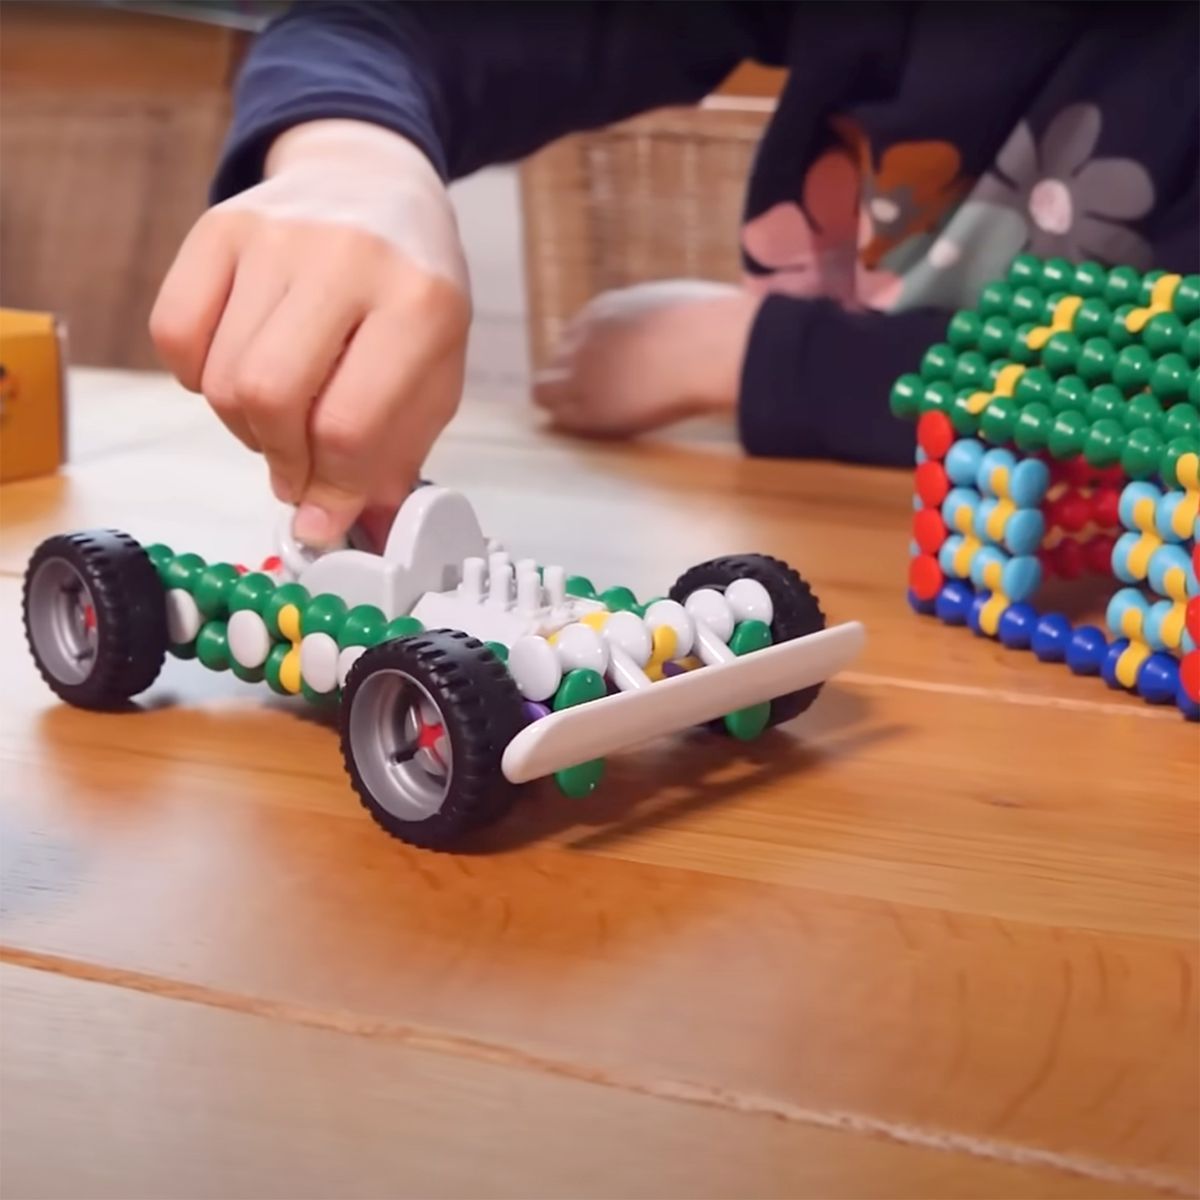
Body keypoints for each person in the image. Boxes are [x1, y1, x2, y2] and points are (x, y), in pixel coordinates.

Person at [150, 1, 1199, 550]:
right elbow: (376, 25)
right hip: (826, 552)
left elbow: (1169, 398)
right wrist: (352, 158)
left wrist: (755, 356)